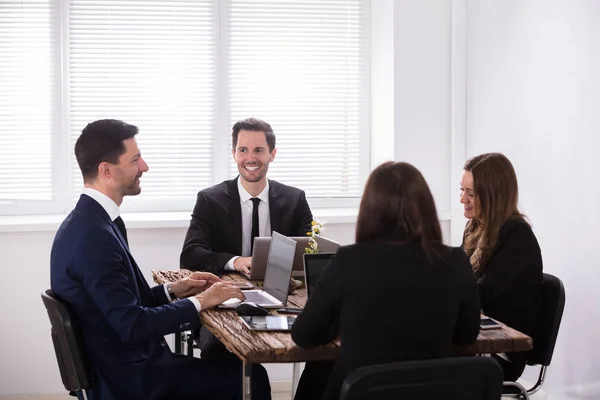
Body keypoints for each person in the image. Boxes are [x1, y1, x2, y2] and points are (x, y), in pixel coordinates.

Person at [50, 119, 271, 400]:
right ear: (107, 170)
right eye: (135, 159)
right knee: (253, 376)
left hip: (123, 369)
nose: (144, 167)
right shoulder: (94, 239)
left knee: (232, 368)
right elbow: (132, 325)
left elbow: (120, 306)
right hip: (132, 382)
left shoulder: (92, 223)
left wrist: (175, 290)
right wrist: (202, 301)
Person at [292, 161, 481, 400]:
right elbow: (467, 335)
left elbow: (304, 335)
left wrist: (341, 324)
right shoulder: (455, 261)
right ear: (426, 208)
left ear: (369, 209)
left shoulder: (349, 261)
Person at [180, 117, 313, 357]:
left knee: (320, 339)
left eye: (259, 150)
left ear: (272, 154)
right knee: (218, 348)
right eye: (243, 150)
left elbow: (311, 255)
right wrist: (235, 261)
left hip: (281, 299)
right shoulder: (210, 200)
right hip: (224, 304)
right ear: (234, 154)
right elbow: (190, 255)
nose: (251, 158)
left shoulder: (295, 199)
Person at [460, 152, 544, 381]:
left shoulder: (517, 236)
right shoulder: (474, 228)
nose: (462, 199)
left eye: (471, 193)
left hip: (499, 354)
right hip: (473, 339)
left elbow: (481, 294)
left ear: (493, 196)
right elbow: (460, 280)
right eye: (462, 190)